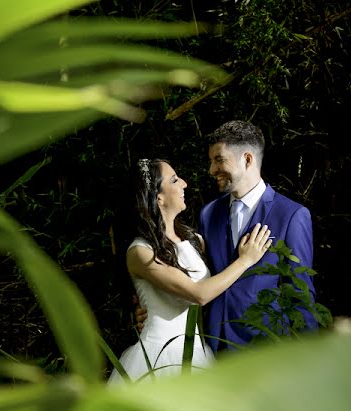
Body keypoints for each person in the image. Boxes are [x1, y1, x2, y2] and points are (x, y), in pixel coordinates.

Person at [109, 158, 272, 384]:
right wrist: (246, 260)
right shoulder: (140, 251)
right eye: (175, 180)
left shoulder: (193, 240)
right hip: (159, 357)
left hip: (198, 350)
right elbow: (199, 294)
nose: (184, 183)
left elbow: (218, 286)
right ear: (159, 198)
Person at [201, 120, 317, 351]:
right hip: (211, 346)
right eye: (211, 161)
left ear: (247, 159)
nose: (212, 170)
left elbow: (301, 294)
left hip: (264, 349)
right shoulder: (209, 213)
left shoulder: (292, 215)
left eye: (219, 160)